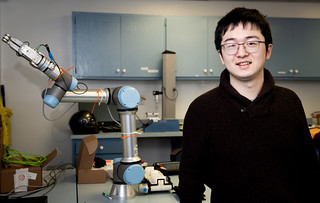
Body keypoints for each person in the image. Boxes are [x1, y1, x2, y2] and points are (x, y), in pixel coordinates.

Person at [178, 7, 320, 203]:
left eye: (251, 43)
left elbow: (310, 171)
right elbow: (189, 186)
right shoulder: (202, 109)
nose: (241, 53)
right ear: (221, 55)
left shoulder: (290, 102)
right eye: (231, 45)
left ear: (268, 49)